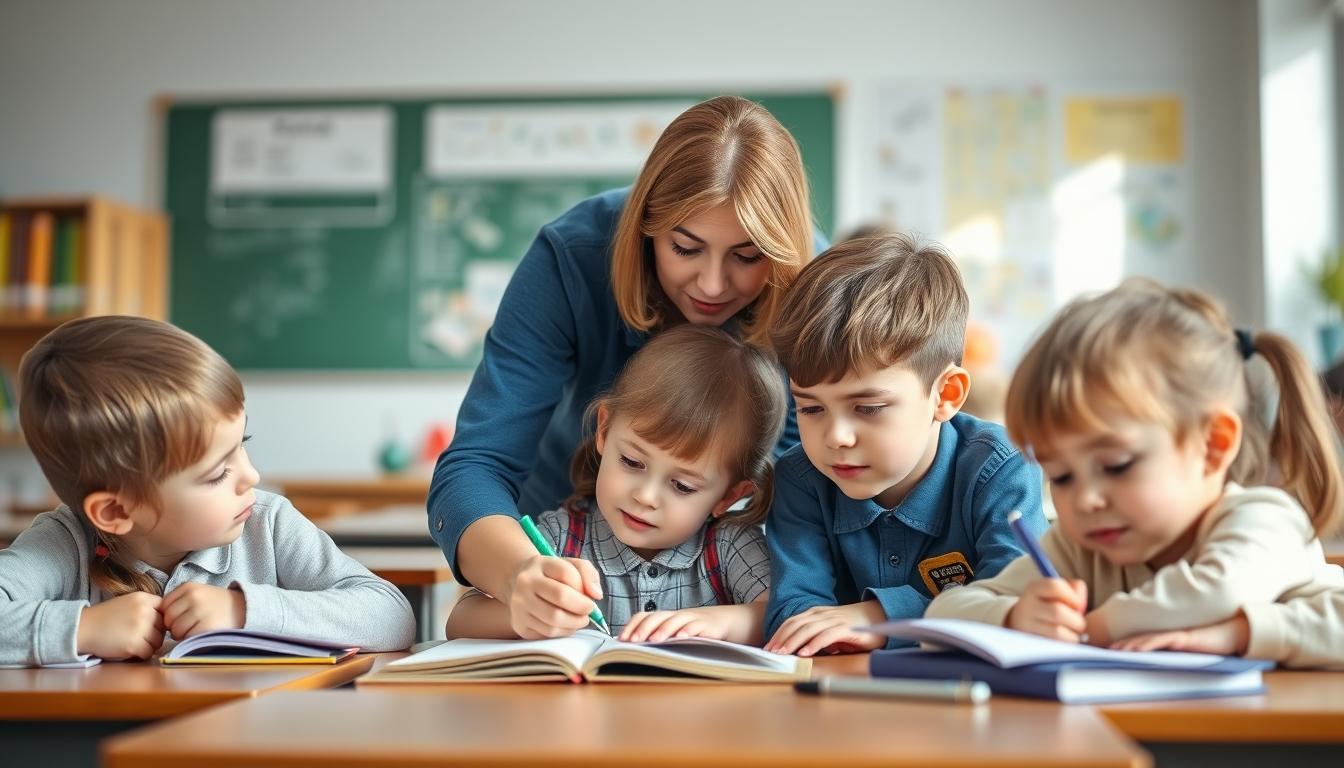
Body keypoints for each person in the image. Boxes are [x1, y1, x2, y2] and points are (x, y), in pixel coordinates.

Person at [430, 95, 822, 639]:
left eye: (748, 256)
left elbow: (804, 485)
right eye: (685, 248)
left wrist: (748, 611)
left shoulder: (813, 289)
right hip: (564, 543)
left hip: (727, 566)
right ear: (646, 228)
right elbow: (477, 463)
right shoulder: (571, 256)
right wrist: (524, 575)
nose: (712, 285)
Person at [926, 279, 1344, 668]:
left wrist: (1240, 633)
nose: (1086, 499)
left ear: (1212, 446)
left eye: (1116, 466)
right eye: (1062, 477)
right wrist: (1016, 615)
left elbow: (1216, 592)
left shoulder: (1262, 518)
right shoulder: (1080, 549)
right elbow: (943, 615)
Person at [0, 316, 414, 665]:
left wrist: (243, 611)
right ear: (114, 512)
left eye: (242, 446)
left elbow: (391, 616)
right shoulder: (66, 543)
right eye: (217, 474)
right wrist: (81, 630)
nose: (250, 476)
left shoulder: (267, 524)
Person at [762, 234, 1045, 657]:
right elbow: (796, 613)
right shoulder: (800, 478)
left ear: (946, 396)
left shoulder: (1002, 468)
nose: (836, 437)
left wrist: (880, 616)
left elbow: (1016, 605)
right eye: (811, 409)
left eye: (869, 408)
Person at [444, 325, 783, 644]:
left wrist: (723, 623)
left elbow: (783, 612)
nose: (645, 496)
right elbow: (460, 620)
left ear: (728, 496)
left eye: (682, 486)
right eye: (632, 462)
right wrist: (523, 615)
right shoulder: (562, 538)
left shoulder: (727, 546)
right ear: (604, 430)